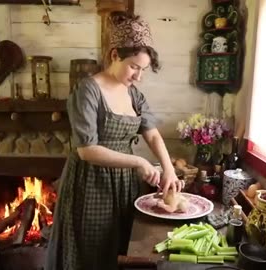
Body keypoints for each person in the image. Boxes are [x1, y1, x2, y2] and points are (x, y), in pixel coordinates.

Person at [45, 11, 184, 270]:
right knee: (92, 252)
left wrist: (168, 169)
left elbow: (151, 133)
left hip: (123, 185)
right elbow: (87, 150)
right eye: (133, 67)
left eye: (143, 70)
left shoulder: (134, 95)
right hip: (90, 184)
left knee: (120, 248)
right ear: (114, 55)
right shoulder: (88, 90)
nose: (138, 76)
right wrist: (140, 162)